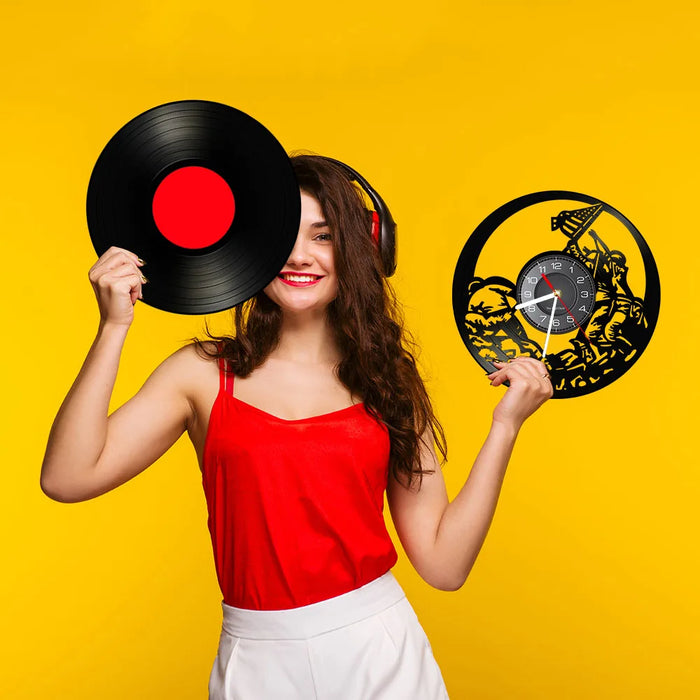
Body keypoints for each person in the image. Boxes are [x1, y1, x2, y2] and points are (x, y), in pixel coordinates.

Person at [41, 155, 553, 699]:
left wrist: (506, 427)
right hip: (254, 658)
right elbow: (67, 478)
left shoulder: (389, 381)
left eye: (324, 235)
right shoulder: (201, 373)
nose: (299, 256)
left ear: (361, 250)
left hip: (378, 653)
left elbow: (444, 565)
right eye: (282, 234)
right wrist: (114, 327)